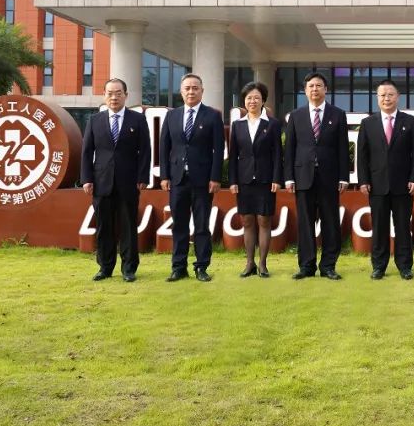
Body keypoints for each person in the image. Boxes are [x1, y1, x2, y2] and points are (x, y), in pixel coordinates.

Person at [80, 78, 151, 282]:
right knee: (104, 227)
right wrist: (86, 178)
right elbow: (87, 152)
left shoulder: (137, 119)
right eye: (110, 93)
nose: (114, 97)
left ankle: (129, 268)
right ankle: (105, 267)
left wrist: (143, 176)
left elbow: (145, 150)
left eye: (118, 93)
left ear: (125, 95)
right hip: (101, 182)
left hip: (129, 182)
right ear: (104, 95)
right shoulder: (94, 120)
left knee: (128, 226)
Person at [285, 72, 350, 280]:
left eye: (319, 85)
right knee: (305, 223)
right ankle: (307, 266)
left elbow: (342, 148)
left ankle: (328, 266)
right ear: (305, 91)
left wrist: (343, 176)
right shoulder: (296, 116)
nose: (315, 89)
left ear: (326, 89)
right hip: (303, 177)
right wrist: (289, 177)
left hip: (329, 178)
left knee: (330, 222)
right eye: (311, 86)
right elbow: (290, 149)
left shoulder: (337, 114)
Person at [159, 73, 225, 282]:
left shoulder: (213, 116)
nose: (191, 92)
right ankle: (178, 267)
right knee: (179, 224)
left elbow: (218, 150)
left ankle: (201, 267)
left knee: (202, 225)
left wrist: (215, 178)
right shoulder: (172, 116)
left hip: (203, 181)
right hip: (177, 179)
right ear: (181, 91)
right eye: (187, 88)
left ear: (202, 91)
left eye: (195, 88)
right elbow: (164, 147)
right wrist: (164, 176)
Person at [357, 79, 414, 280]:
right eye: (382, 95)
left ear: (398, 97)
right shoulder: (368, 123)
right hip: (376, 185)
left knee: (403, 227)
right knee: (379, 227)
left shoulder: (410, 122)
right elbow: (362, 156)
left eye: (390, 94)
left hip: (404, 185)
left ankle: (405, 266)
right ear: (377, 98)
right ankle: (379, 266)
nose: (386, 98)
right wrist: (363, 181)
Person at [228, 81, 283, 278]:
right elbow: (233, 155)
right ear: (244, 101)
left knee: (264, 220)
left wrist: (277, 178)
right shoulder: (237, 125)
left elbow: (278, 154)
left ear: (263, 101)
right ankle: (249, 263)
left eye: (257, 98)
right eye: (249, 98)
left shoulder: (273, 124)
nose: (253, 101)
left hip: (266, 179)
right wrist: (232, 181)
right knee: (247, 221)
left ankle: (263, 264)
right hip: (244, 180)